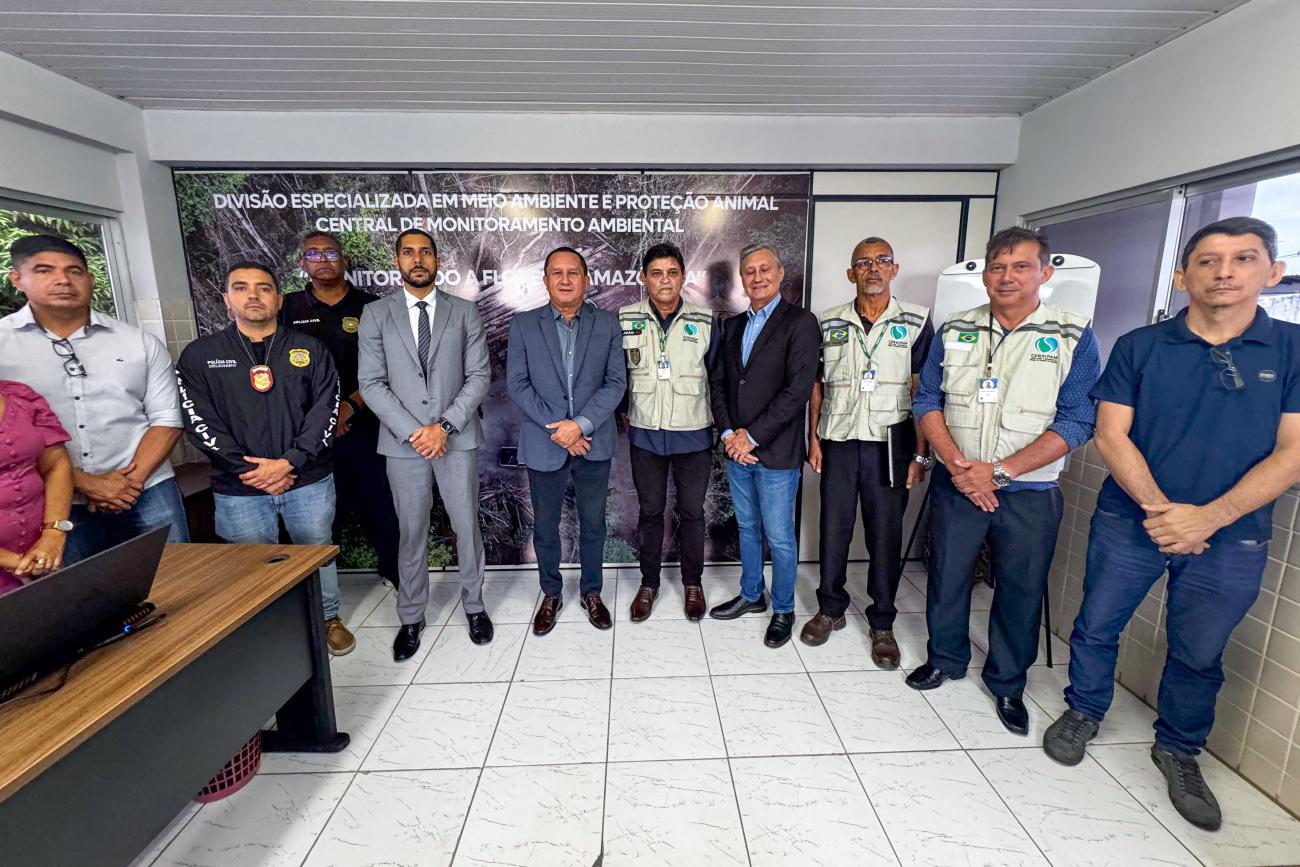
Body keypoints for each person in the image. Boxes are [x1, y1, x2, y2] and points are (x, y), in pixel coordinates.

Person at [1042, 217, 1300, 831]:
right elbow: (1112, 434)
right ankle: (1084, 710)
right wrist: (1164, 513)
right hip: (1132, 519)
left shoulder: (1292, 349)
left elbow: (1293, 451)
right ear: (1183, 276)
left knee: (1200, 650)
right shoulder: (1140, 346)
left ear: (1274, 272)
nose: (1225, 273)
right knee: (1097, 625)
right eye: (1209, 261)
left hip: (1231, 534)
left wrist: (1209, 517)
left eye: (1243, 259)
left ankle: (1180, 749)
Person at [907, 227, 1100, 737]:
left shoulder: (1073, 334)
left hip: (1030, 490)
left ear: (1044, 273)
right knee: (947, 576)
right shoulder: (955, 328)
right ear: (986, 274)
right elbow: (927, 400)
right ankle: (945, 659)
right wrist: (958, 466)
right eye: (997, 267)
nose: (1006, 277)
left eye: (1020, 267)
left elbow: (1078, 420)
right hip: (957, 481)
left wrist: (998, 472)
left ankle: (1008, 683)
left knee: (1020, 588)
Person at [175, 262, 351, 654]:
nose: (253, 295)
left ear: (279, 299)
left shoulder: (310, 349)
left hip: (306, 478)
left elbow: (325, 410)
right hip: (239, 484)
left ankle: (327, 617)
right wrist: (247, 468)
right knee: (250, 562)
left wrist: (290, 462)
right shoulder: (201, 355)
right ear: (226, 299)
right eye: (241, 288)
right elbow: (198, 420)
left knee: (317, 550)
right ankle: (265, 628)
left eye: (264, 288)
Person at [0, 235, 187, 562]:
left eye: (73, 271)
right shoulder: (3, 347)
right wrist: (86, 483)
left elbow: (167, 419)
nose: (62, 280)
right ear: (17, 279)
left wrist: (127, 484)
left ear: (89, 279)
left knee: (179, 575)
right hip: (52, 503)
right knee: (77, 589)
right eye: (44, 270)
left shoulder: (138, 342)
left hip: (147, 488)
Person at [358, 229, 493, 660]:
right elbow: (371, 383)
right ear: (397, 261)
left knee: (466, 526)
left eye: (425, 252)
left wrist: (444, 427)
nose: (417, 259)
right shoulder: (376, 314)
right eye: (408, 252)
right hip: (404, 445)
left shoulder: (464, 311)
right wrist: (416, 431)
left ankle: (474, 606)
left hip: (457, 439)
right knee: (411, 530)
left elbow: (479, 376)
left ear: (437, 260)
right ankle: (411, 616)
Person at [804, 237, 934, 667]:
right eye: (863, 263)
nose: (873, 268)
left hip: (890, 445)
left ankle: (882, 621)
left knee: (885, 535)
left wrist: (920, 455)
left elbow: (923, 391)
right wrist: (814, 438)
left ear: (894, 270)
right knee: (833, 529)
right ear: (851, 273)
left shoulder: (916, 321)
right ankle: (830, 608)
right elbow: (817, 385)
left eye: (882, 261)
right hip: (839, 440)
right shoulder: (829, 322)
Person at [506, 246, 625, 636]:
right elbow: (518, 385)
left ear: (586, 279)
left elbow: (615, 383)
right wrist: (561, 429)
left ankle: (592, 592)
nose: (565, 280)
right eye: (556, 273)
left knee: (593, 523)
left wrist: (581, 424)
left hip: (593, 441)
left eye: (573, 272)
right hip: (546, 443)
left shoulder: (607, 323)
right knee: (546, 525)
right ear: (545, 280)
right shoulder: (524, 325)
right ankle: (551, 594)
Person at [707, 244, 820, 648]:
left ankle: (784, 608)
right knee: (748, 528)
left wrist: (750, 436)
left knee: (780, 536)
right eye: (749, 271)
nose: (757, 277)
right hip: (736, 451)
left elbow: (798, 390)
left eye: (764, 269)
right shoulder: (733, 325)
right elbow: (719, 383)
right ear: (742, 278)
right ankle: (752, 594)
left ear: (780, 272)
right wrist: (728, 435)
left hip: (774, 452)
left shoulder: (801, 322)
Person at [283, 231, 401, 589]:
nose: (323, 259)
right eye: (313, 254)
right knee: (318, 513)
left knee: (380, 503)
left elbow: (391, 367)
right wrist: (323, 419)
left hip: (365, 423)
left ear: (345, 260)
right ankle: (321, 591)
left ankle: (395, 574)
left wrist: (348, 407)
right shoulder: (286, 308)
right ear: (302, 263)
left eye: (330, 253)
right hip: (307, 432)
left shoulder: (374, 307)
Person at [617, 242, 718, 622]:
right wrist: (620, 411)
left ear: (683, 277)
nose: (665, 280)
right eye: (656, 273)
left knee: (692, 513)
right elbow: (616, 375)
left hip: (693, 434)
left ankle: (693, 583)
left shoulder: (705, 322)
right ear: (644, 278)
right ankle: (649, 584)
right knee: (650, 512)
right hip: (645, 434)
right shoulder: (625, 318)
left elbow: (717, 378)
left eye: (672, 273)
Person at [0, 381, 74, 593]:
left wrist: (54, 533)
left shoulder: (20, 397)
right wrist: (13, 561)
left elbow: (56, 464)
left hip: (42, 554)